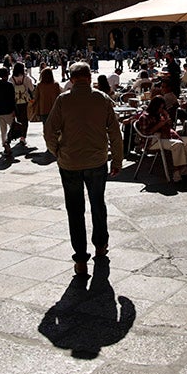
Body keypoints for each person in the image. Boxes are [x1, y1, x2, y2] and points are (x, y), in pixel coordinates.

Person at [43, 62, 124, 276]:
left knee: (75, 209)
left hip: (69, 162)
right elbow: (115, 133)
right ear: (89, 78)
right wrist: (117, 160)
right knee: (98, 203)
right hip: (97, 161)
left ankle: (80, 260)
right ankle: (100, 245)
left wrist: (57, 152)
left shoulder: (63, 100)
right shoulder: (102, 99)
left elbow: (48, 131)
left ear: (71, 78)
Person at [135, 95, 187, 182]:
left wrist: (166, 118)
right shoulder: (145, 117)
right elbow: (146, 133)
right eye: (160, 108)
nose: (161, 110)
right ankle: (176, 171)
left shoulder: (159, 115)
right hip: (152, 141)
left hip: (165, 137)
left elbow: (168, 129)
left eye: (162, 108)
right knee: (177, 144)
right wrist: (160, 124)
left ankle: (184, 166)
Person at [11, 62, 35, 145]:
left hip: (15, 101)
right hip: (25, 101)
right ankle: (23, 137)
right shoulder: (26, 78)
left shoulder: (12, 79)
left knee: (18, 119)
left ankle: (19, 134)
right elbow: (32, 89)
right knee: (25, 119)